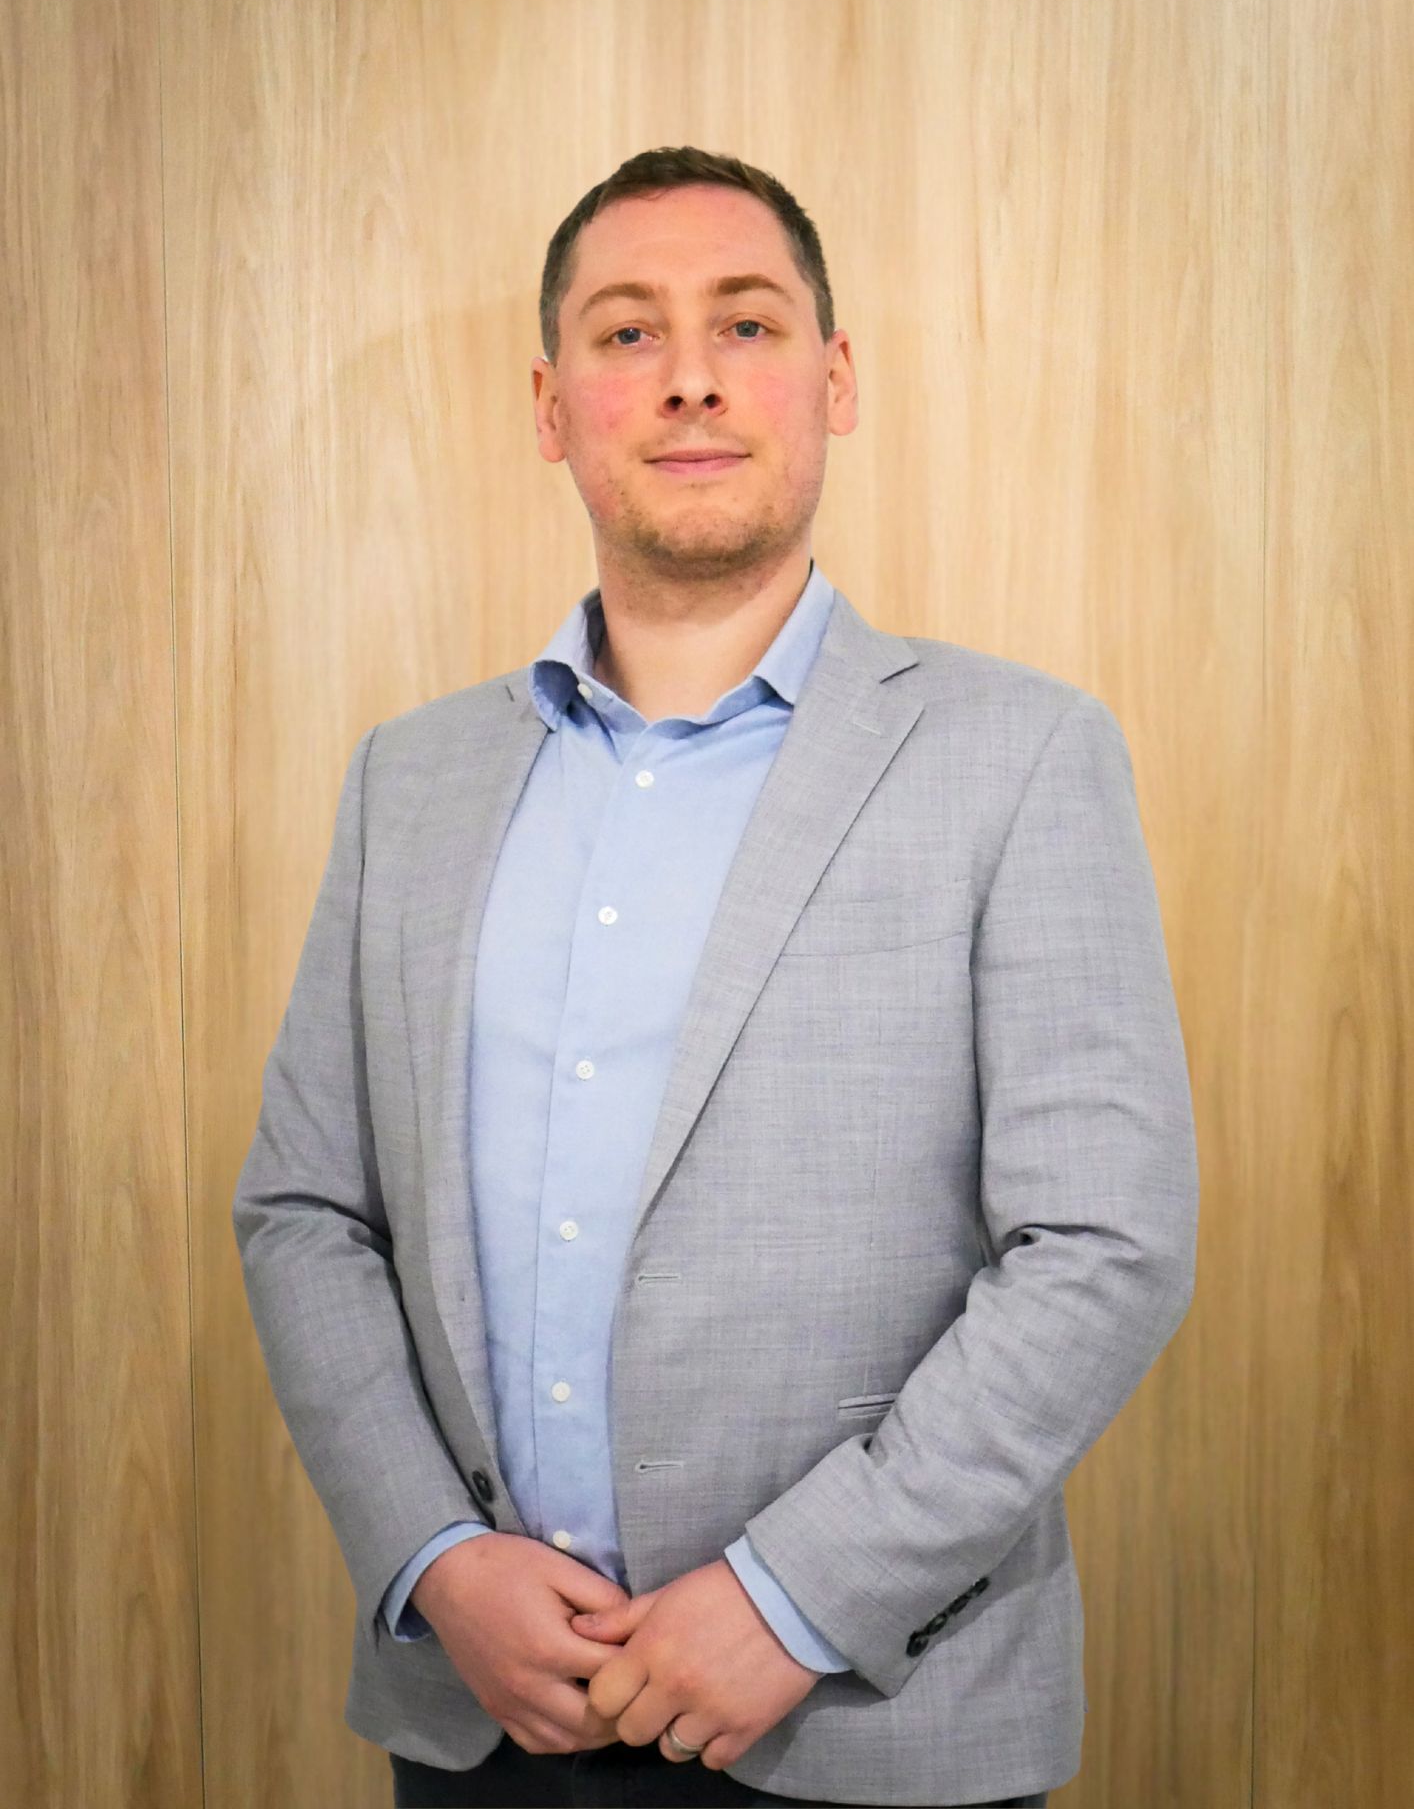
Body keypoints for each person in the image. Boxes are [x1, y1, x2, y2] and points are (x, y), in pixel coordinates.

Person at [233, 145, 1198, 1809]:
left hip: (869, 1721)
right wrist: (435, 1556)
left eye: (744, 325)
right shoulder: (412, 780)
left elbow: (1099, 1246)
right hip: (483, 1722)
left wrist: (791, 1598)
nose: (686, 374)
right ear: (551, 407)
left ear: (831, 382)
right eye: (625, 334)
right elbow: (306, 1212)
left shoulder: (1022, 756)